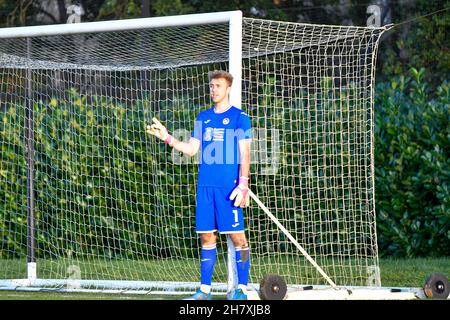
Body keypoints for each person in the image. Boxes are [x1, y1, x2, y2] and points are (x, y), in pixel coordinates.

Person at [146, 70, 252, 300]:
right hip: (205, 188)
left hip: (229, 189)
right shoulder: (203, 117)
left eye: (218, 86)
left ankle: (242, 289)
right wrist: (167, 137)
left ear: (228, 89)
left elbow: (245, 154)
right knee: (206, 237)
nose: (213, 90)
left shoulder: (240, 117)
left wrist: (243, 184)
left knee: (238, 239)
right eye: (211, 86)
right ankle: (205, 291)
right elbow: (193, 150)